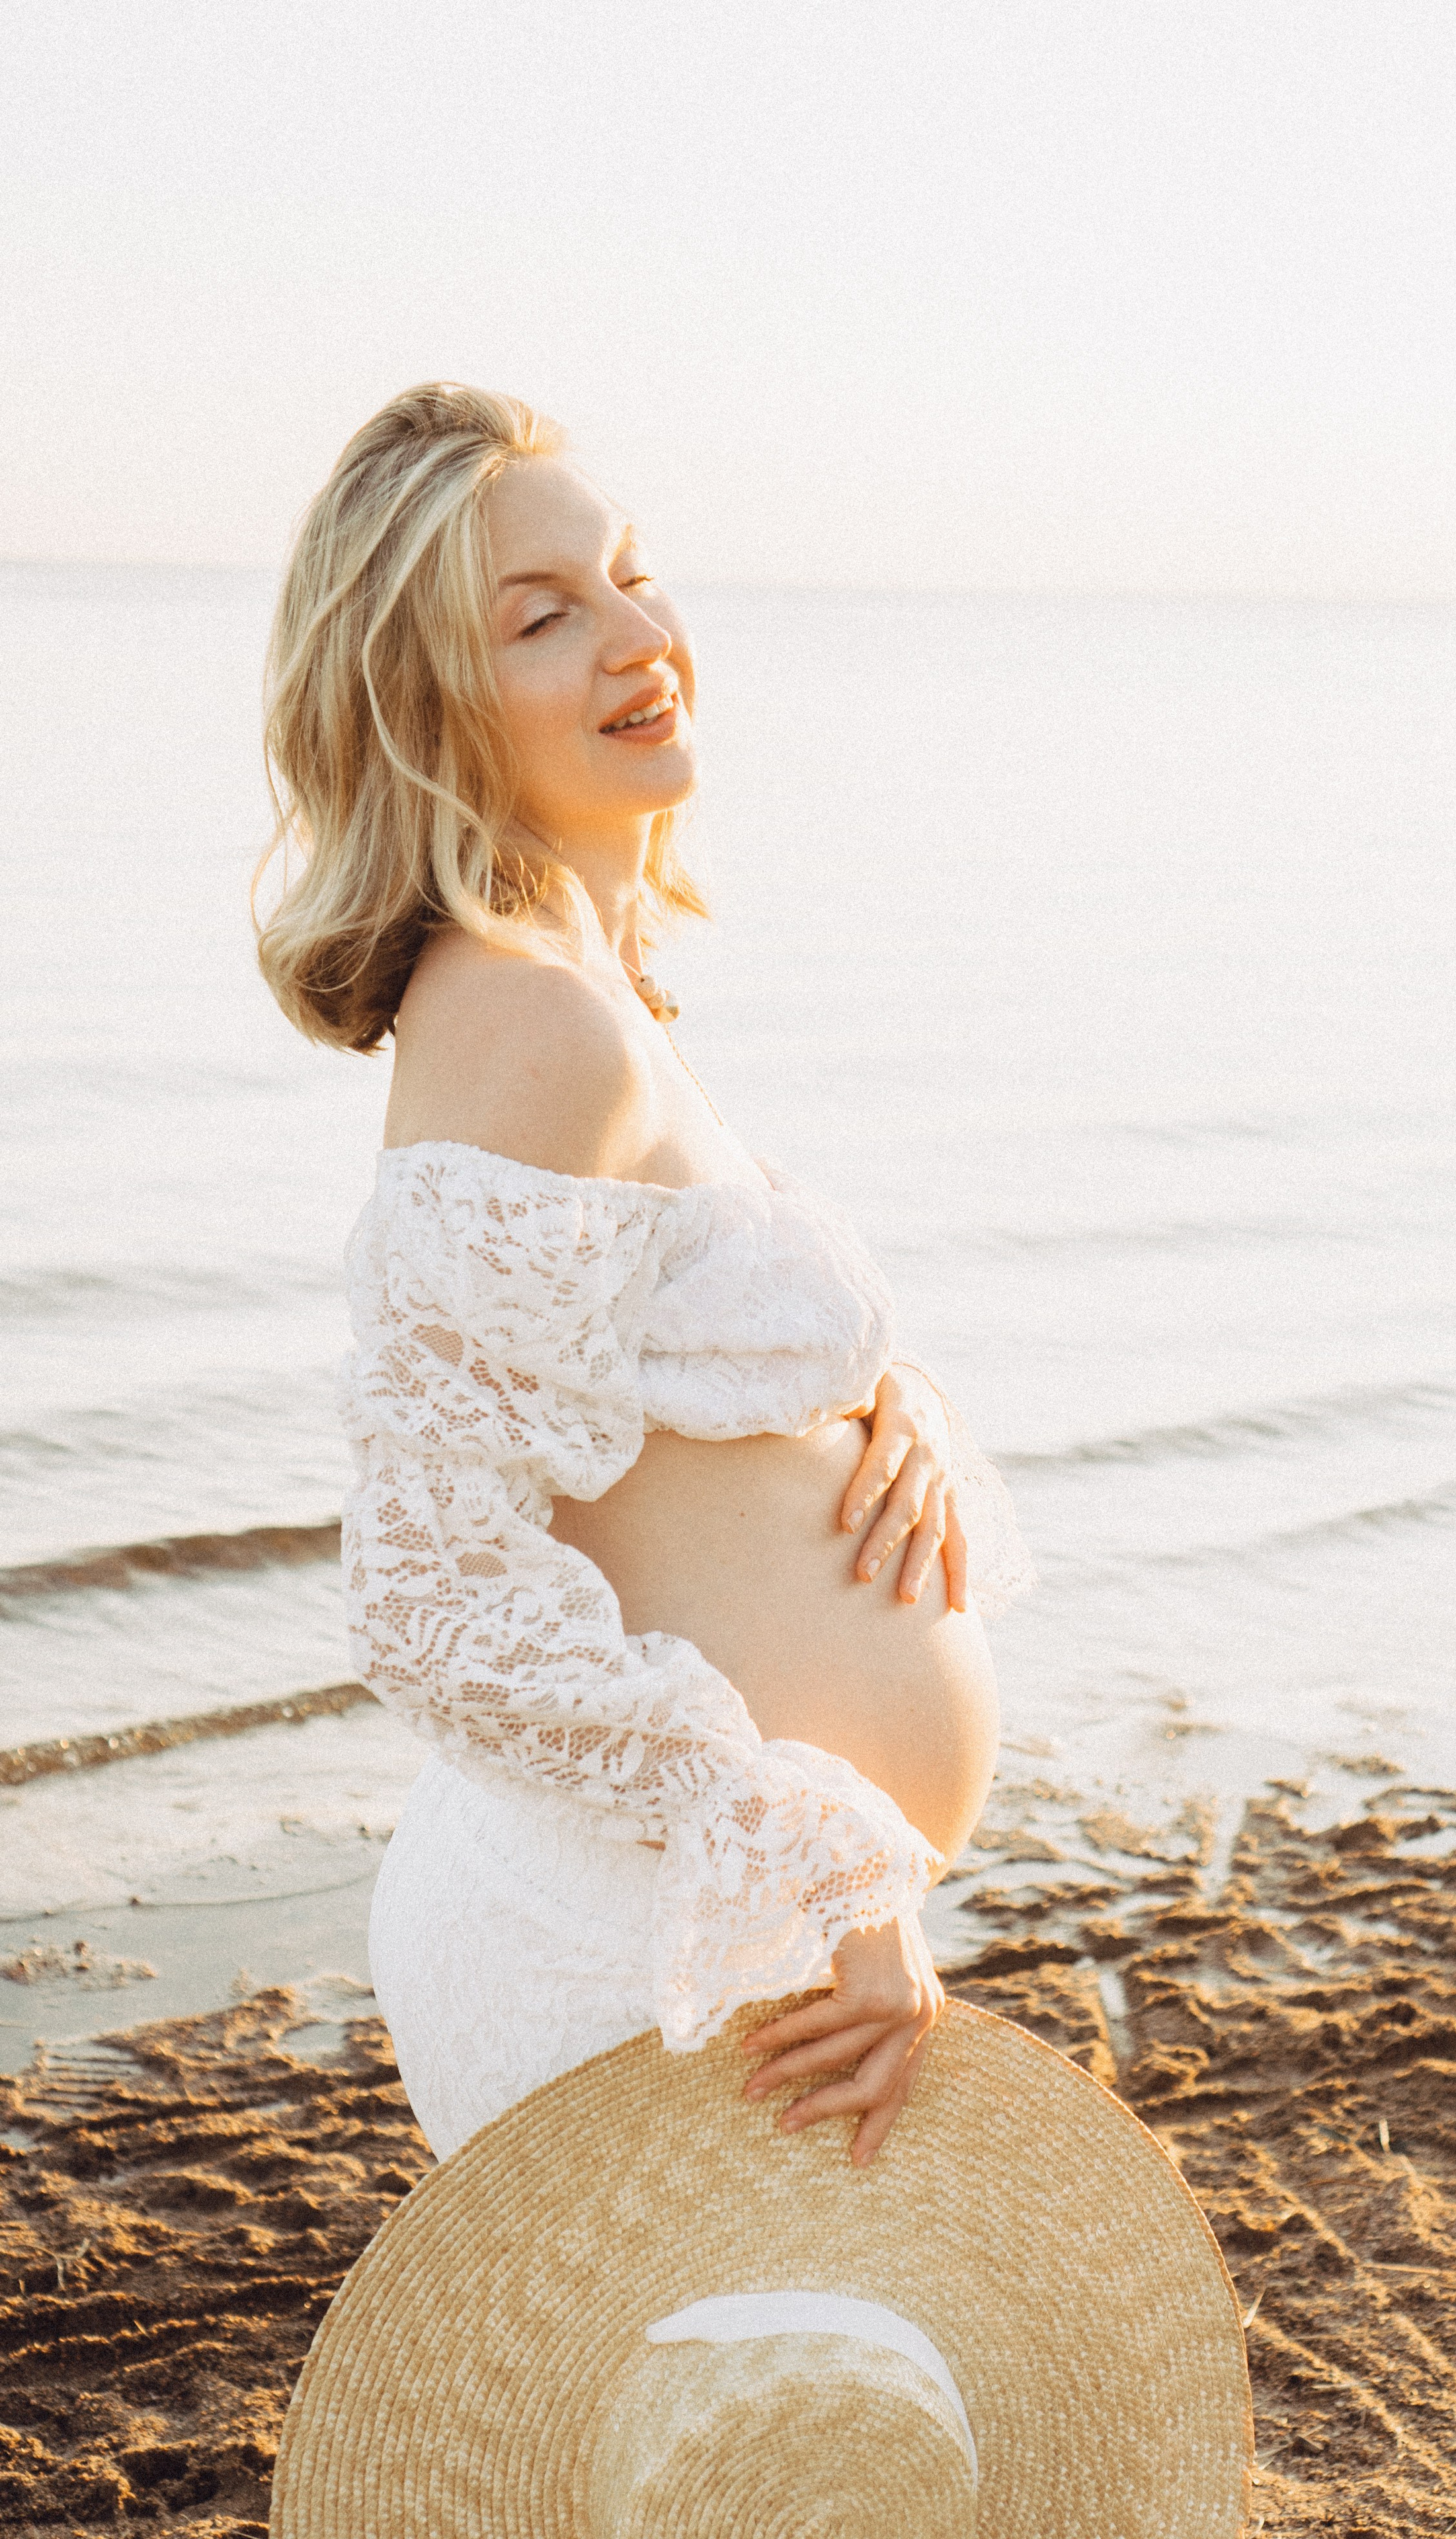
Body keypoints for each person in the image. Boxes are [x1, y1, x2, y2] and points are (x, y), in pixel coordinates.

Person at [257, 382, 1031, 2169]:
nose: (637, 635)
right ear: (427, 713)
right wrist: (816, 1861)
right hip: (648, 1945)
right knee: (768, 2444)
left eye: (629, 574)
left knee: (802, 2443)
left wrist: (869, 1412)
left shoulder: (585, 1000)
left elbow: (628, 1414)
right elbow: (433, 1591)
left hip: (695, 1932)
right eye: (542, 617)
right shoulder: (533, 1021)